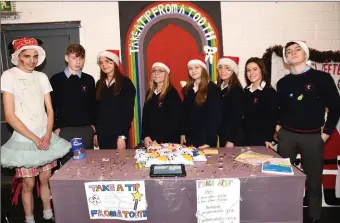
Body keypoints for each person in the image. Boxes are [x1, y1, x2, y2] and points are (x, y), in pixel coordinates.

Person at [1, 37, 71, 223]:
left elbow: (49, 108)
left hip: (45, 137)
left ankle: (48, 214)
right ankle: (29, 218)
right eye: (27, 56)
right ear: (18, 57)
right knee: (28, 183)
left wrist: (47, 135)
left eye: (35, 56)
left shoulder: (41, 77)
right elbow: (9, 115)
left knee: (46, 178)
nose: (32, 60)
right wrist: (34, 138)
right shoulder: (9, 76)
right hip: (24, 140)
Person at [277, 40, 340, 223]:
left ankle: (314, 215)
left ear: (306, 54)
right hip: (287, 136)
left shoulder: (322, 78)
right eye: (289, 51)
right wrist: (278, 127)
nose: (293, 53)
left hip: (313, 137)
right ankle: (286, 213)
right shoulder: (283, 83)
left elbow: (336, 107)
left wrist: (326, 133)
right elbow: (278, 108)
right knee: (285, 178)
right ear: (286, 59)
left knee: (313, 180)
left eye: (298, 50)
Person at [50, 44, 96, 165]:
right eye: (74, 58)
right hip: (64, 131)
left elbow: (93, 105)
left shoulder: (89, 79)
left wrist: (94, 128)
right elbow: (50, 107)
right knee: (67, 166)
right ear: (66, 58)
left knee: (88, 165)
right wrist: (55, 128)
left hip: (86, 130)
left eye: (81, 58)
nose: (78, 62)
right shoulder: (56, 80)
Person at [94, 50, 136, 149]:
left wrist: (122, 135)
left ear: (115, 63)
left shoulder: (125, 83)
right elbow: (96, 111)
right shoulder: (99, 84)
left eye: (108, 61)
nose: (104, 65)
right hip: (102, 135)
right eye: (101, 63)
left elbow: (127, 112)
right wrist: (96, 133)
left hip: (118, 135)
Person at [180, 53, 221, 148]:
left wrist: (209, 142)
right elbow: (183, 114)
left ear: (203, 69)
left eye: (196, 67)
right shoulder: (188, 89)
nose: (193, 71)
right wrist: (182, 133)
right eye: (190, 68)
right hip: (189, 140)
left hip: (205, 141)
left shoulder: (212, 89)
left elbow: (215, 118)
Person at [142, 60, 181, 146]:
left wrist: (159, 140)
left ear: (166, 74)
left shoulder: (172, 94)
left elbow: (174, 122)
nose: (156, 73)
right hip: (151, 142)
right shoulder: (150, 93)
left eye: (160, 71)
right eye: (154, 70)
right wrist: (146, 136)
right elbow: (145, 118)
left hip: (168, 143)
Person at [243, 57, 277, 148]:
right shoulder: (245, 91)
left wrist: (267, 138)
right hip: (244, 139)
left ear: (262, 70)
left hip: (261, 140)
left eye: (255, 69)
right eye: (248, 70)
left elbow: (272, 118)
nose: (251, 73)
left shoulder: (269, 92)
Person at [217, 56, 244, 147]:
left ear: (233, 71)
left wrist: (231, 140)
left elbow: (237, 117)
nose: (222, 71)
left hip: (231, 137)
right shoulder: (220, 88)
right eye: (220, 67)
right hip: (222, 134)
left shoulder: (236, 90)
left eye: (227, 68)